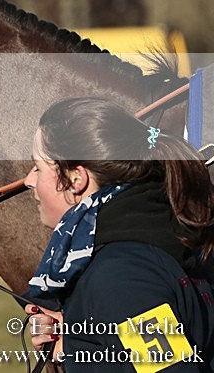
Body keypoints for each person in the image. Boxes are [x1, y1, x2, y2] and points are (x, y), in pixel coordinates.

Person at [23, 97, 214, 371]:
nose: (29, 181)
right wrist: (81, 341)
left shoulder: (122, 277)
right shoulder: (146, 240)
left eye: (38, 168)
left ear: (76, 179)